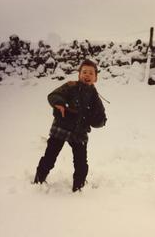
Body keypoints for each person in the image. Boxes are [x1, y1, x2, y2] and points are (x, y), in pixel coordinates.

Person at [34, 59, 107, 192]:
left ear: (96, 78)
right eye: (84, 72)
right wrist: (59, 103)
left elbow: (101, 118)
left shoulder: (95, 97)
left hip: (79, 133)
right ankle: (39, 179)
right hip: (61, 128)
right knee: (50, 157)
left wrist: (98, 120)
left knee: (81, 163)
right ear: (79, 74)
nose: (87, 75)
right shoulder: (70, 86)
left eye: (91, 73)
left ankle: (78, 187)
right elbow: (53, 95)